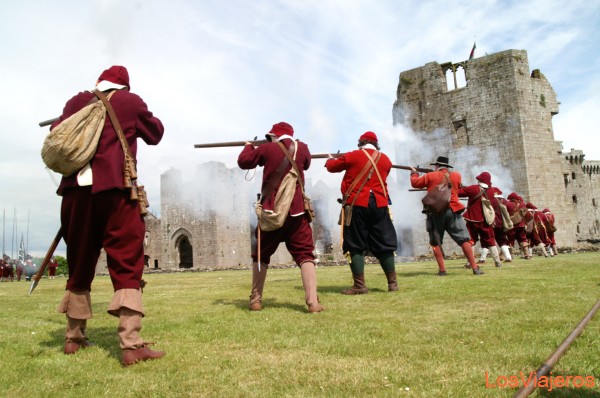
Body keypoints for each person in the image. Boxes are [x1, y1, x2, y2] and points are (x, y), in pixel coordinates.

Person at [50, 66, 165, 365]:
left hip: (75, 196)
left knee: (79, 264)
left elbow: (56, 132)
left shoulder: (77, 102)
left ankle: (73, 339)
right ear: (124, 85)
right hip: (115, 192)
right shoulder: (130, 101)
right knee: (127, 263)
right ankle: (131, 345)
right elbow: (156, 133)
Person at [237, 122, 324, 313]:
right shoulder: (303, 149)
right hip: (297, 213)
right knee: (305, 255)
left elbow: (244, 161)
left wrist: (248, 146)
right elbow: (307, 163)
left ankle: (256, 300)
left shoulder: (267, 148)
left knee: (261, 254)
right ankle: (313, 303)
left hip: (271, 213)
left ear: (273, 136)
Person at [325, 131, 398, 294]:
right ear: (376, 144)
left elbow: (331, 167)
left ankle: (359, 285)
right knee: (384, 243)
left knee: (354, 243)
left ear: (360, 143)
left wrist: (331, 158)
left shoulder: (352, 156)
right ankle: (392, 283)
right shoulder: (385, 160)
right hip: (380, 204)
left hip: (357, 204)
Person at [410, 156, 484, 276]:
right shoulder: (456, 175)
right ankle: (475, 268)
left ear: (437, 166)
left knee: (435, 241)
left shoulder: (431, 176)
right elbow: (458, 187)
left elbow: (415, 183)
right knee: (464, 239)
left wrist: (414, 173)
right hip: (453, 210)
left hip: (436, 212)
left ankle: (442, 270)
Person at [458, 172, 503, 268]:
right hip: (486, 220)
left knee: (471, 240)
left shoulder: (474, 188)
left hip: (472, 219)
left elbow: (459, 193)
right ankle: (497, 261)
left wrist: (457, 186)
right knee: (490, 240)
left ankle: (470, 262)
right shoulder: (491, 191)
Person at [507, 193, 531, 259]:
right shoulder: (522, 204)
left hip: (512, 225)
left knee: (510, 240)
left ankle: (509, 256)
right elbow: (525, 215)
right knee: (523, 239)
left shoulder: (508, 204)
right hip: (521, 225)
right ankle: (527, 254)